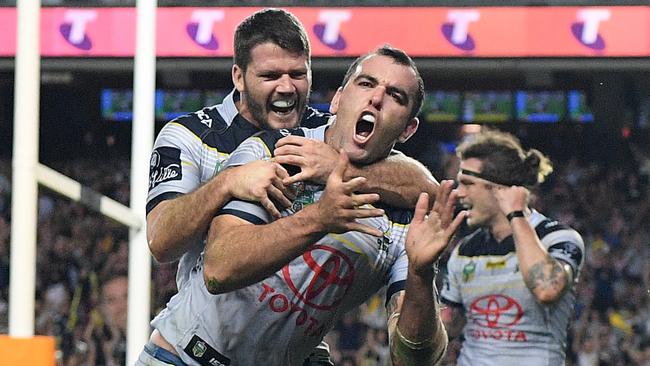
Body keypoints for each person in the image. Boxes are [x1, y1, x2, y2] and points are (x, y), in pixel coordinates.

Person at [139, 45, 462, 366]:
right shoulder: (279, 148)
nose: (376, 99)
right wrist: (320, 218)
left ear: (408, 129)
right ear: (337, 99)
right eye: (366, 84)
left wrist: (421, 274)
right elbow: (220, 269)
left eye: (395, 96)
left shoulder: (408, 212)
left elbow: (414, 360)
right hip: (183, 356)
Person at [146, 8, 437, 288]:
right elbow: (161, 243)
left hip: (294, 325)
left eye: (297, 74)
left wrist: (338, 166)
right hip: (207, 323)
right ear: (239, 77)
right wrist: (226, 182)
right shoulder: (191, 135)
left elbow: (426, 190)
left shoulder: (327, 131)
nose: (286, 88)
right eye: (271, 76)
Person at [440, 128, 585, 365]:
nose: (459, 193)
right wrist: (420, 271)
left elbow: (547, 289)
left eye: (467, 183)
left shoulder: (558, 239)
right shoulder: (465, 250)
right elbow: (444, 329)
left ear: (499, 188)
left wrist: (515, 213)